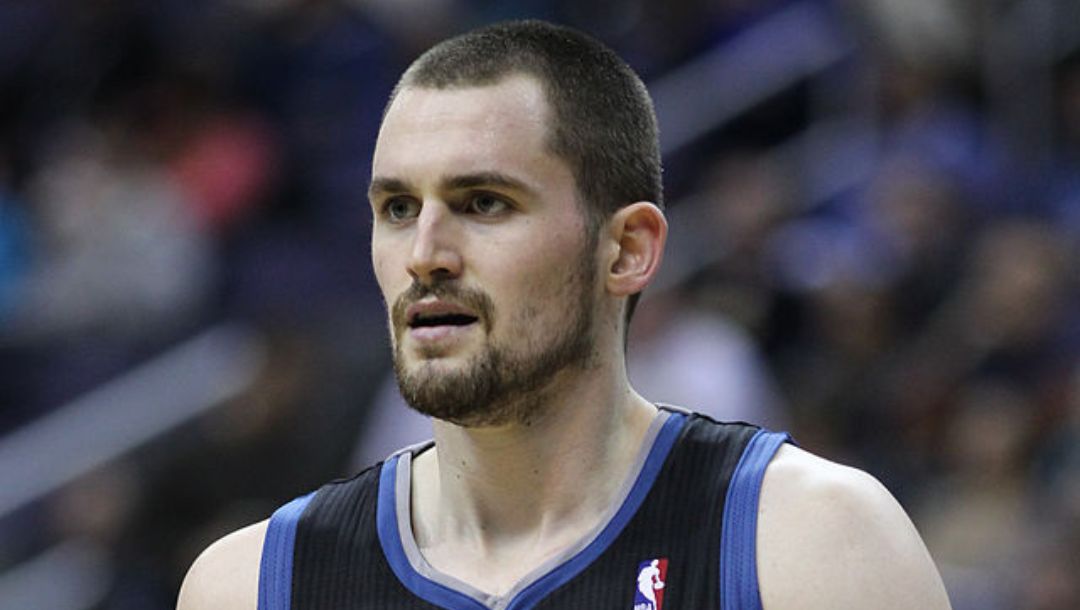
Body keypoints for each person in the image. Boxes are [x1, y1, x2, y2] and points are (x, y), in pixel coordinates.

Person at [177, 20, 951, 610]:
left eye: (484, 203)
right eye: (398, 207)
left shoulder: (811, 545)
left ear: (627, 250)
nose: (425, 253)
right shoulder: (250, 587)